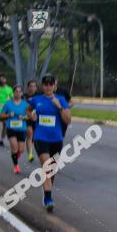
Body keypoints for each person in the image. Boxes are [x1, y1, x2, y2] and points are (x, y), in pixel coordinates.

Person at [28, 75, 71, 211]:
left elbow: (68, 120)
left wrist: (59, 107)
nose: (48, 87)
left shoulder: (61, 100)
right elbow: (28, 110)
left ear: (54, 86)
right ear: (42, 86)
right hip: (40, 138)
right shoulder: (37, 99)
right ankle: (48, 198)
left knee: (51, 171)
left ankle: (46, 189)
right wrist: (31, 115)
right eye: (45, 84)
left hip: (56, 140)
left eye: (50, 84)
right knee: (47, 167)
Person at [1, 86, 29, 173]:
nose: (18, 93)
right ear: (13, 93)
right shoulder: (8, 103)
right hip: (11, 128)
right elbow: (1, 115)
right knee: (14, 148)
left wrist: (24, 117)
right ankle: (16, 166)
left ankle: (15, 155)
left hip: (22, 129)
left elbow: (29, 116)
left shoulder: (25, 104)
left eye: (20, 91)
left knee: (21, 150)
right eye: (16, 91)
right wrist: (8, 115)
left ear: (21, 93)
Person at [0, 74, 14, 147]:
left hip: (5, 110)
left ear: (5, 80)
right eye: (0, 79)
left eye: (3, 79)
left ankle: (1, 140)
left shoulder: (9, 89)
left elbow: (12, 98)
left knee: (5, 124)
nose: (1, 80)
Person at [23, 79, 38, 162]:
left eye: (34, 86)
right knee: (29, 134)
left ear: (36, 87)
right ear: (28, 87)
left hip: (36, 119)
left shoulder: (39, 96)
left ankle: (32, 150)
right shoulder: (24, 96)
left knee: (34, 138)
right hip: (27, 118)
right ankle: (30, 154)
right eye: (31, 86)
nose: (32, 88)